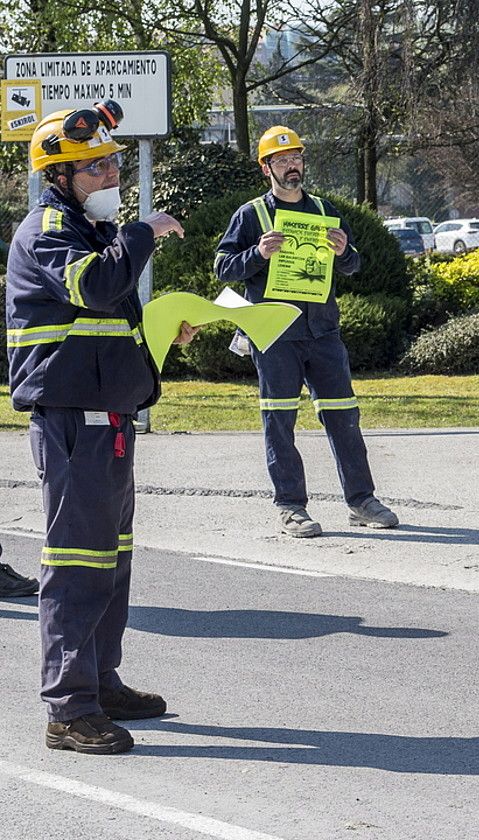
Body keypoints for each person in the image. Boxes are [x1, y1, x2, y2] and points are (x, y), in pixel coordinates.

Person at [7, 103, 195, 753]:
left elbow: (103, 322)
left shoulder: (86, 228)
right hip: (72, 424)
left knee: (109, 564)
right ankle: (68, 707)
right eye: (100, 166)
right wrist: (143, 232)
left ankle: (99, 682)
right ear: (60, 175)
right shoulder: (50, 230)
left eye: (116, 162)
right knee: (77, 566)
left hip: (106, 421)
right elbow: (96, 287)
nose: (115, 173)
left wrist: (164, 328)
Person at [214, 126, 398, 538]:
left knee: (344, 418)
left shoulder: (324, 210)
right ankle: (291, 507)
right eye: (281, 161)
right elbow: (223, 268)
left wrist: (343, 251)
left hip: (322, 333)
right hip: (275, 335)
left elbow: (353, 265)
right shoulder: (250, 215)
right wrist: (258, 253)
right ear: (266, 168)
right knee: (279, 421)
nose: (291, 166)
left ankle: (362, 501)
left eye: (295, 158)